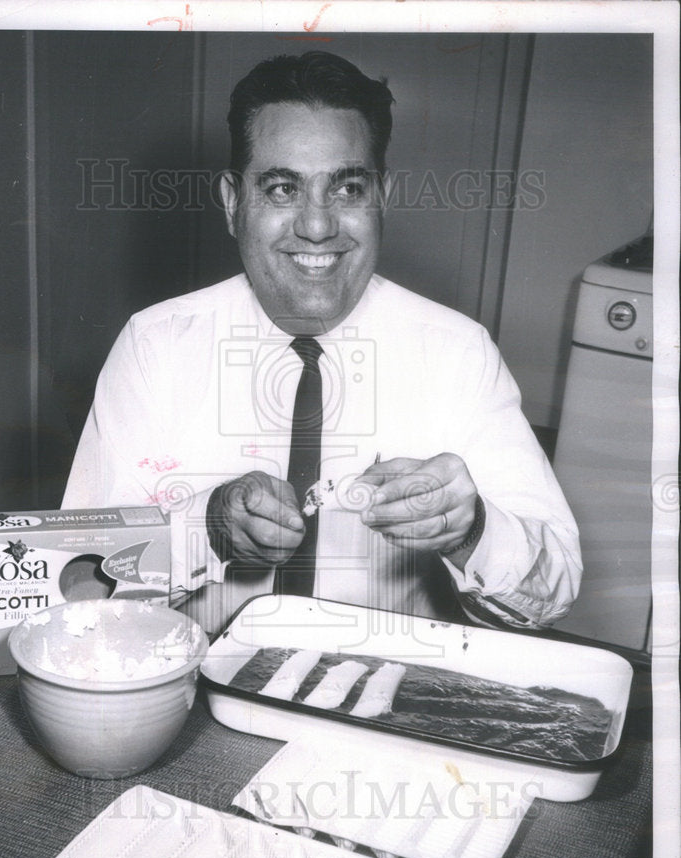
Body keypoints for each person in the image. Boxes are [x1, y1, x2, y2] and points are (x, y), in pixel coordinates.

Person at [63, 51, 581, 635]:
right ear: (234, 203)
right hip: (191, 692)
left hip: (384, 694)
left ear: (379, 198)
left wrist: (473, 529)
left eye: (347, 187)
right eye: (282, 188)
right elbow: (80, 582)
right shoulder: (154, 346)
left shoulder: (459, 352)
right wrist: (205, 527)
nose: (317, 225)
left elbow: (554, 590)